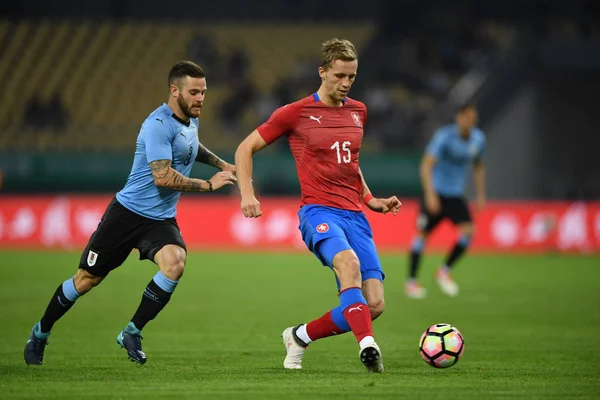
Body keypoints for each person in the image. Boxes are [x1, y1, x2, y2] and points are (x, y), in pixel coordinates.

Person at [24, 61, 237, 365]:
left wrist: (221, 164)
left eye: (203, 92)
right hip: (127, 215)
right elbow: (162, 177)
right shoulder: (157, 125)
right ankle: (40, 332)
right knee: (85, 280)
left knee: (175, 263)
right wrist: (209, 184)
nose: (201, 98)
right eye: (194, 92)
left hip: (160, 218)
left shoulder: (190, 118)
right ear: (174, 91)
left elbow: (191, 146)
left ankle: (132, 331)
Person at [235, 39, 401, 373]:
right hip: (319, 212)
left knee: (374, 304)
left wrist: (370, 200)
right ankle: (367, 346)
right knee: (348, 263)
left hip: (355, 215)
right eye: (339, 75)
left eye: (351, 76)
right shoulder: (295, 113)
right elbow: (244, 148)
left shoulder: (359, 111)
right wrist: (247, 193)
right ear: (322, 72)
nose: (346, 83)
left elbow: (351, 164)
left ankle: (299, 336)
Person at [405, 104, 486, 299]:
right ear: (458, 118)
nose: (468, 121)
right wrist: (430, 194)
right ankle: (412, 282)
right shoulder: (444, 136)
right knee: (422, 235)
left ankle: (444, 270)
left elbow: (478, 166)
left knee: (468, 231)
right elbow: (426, 165)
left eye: (472, 117)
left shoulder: (478, 139)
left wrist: (481, 194)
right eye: (465, 117)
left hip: (455, 195)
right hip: (436, 192)